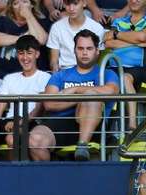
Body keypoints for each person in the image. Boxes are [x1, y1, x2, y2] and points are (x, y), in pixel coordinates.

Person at [28, 29, 119, 162]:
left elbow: (112, 91)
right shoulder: (60, 75)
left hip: (94, 126)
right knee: (35, 140)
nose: (85, 52)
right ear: (74, 50)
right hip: (61, 124)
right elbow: (49, 103)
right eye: (80, 48)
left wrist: (75, 90)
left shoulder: (107, 73)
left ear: (97, 51)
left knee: (91, 95)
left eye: (89, 48)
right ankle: (49, 179)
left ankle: (82, 146)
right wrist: (79, 98)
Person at [104, 0, 146, 129]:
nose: (134, 1)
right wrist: (137, 43)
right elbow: (108, 42)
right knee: (107, 80)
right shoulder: (119, 21)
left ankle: (132, 124)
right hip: (114, 66)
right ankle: (106, 129)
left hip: (141, 67)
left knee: (125, 78)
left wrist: (117, 35)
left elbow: (143, 36)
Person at [0, 0, 49, 87]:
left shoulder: (41, 22)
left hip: (27, 75)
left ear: (32, 5)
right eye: (16, 3)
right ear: (11, 8)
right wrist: (23, 39)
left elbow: (41, 40)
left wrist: (29, 16)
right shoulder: (3, 21)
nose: (21, 6)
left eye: (25, 2)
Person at [46, 0, 104, 72]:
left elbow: (96, 59)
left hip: (88, 72)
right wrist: (56, 72)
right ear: (64, 5)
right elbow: (54, 61)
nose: (71, 8)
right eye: (67, 4)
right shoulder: (57, 27)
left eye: (75, 4)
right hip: (64, 71)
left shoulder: (97, 28)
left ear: (84, 3)